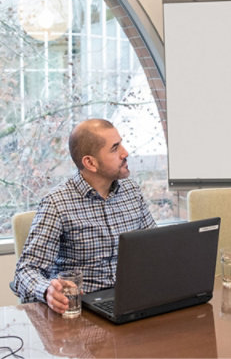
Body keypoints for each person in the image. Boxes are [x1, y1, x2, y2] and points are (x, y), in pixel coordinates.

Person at [14, 119, 156, 313]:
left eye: (121, 143)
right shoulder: (57, 203)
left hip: (133, 302)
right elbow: (26, 271)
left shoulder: (131, 191)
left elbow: (154, 249)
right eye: (115, 149)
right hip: (83, 310)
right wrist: (47, 289)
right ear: (90, 162)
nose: (125, 153)